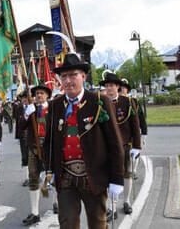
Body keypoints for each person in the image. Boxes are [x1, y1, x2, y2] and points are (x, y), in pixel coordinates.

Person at [43, 53, 125, 229]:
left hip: (94, 176)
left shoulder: (99, 101)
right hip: (65, 177)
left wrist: (117, 178)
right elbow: (49, 142)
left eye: (73, 75)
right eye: (64, 76)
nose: (68, 81)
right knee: (67, 223)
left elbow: (114, 143)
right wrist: (49, 170)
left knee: (97, 223)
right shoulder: (55, 105)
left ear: (83, 76)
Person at [100, 73, 141, 219]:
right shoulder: (101, 102)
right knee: (112, 177)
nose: (109, 88)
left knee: (127, 175)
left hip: (125, 145)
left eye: (111, 85)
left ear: (118, 87)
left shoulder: (128, 102)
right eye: (107, 85)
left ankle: (127, 201)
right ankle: (112, 207)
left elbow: (135, 126)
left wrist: (137, 146)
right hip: (107, 147)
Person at [22, 84, 58, 225]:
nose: (39, 95)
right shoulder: (31, 110)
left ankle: (56, 202)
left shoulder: (54, 109)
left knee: (54, 176)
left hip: (50, 148)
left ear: (47, 95)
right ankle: (35, 212)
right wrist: (26, 114)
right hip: (33, 148)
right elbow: (21, 128)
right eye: (37, 93)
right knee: (33, 178)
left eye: (42, 93)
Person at [119, 79, 148, 179]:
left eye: (123, 88)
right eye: (120, 88)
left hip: (133, 132)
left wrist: (144, 132)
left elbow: (141, 117)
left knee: (135, 154)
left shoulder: (133, 102)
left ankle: (133, 170)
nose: (121, 90)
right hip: (122, 134)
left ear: (127, 90)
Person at [14, 91, 30, 186]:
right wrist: (17, 136)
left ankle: (36, 175)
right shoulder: (19, 108)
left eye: (26, 97)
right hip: (23, 136)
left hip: (33, 136)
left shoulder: (34, 107)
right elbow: (18, 124)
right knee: (25, 157)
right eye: (23, 98)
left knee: (34, 156)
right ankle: (27, 177)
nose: (24, 99)